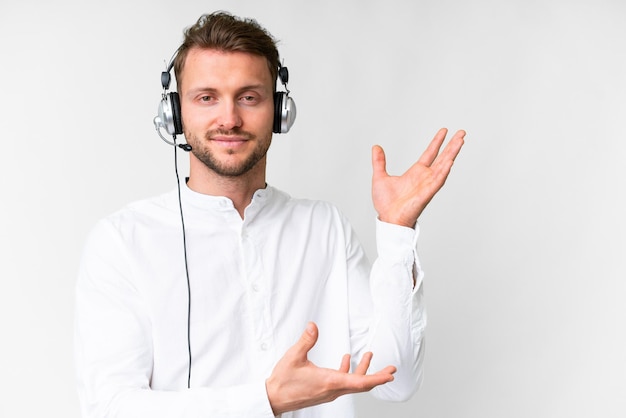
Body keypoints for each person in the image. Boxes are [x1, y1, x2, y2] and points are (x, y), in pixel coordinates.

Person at [74, 11, 465, 418]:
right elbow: (110, 407)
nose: (229, 118)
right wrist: (268, 400)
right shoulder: (122, 241)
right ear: (175, 113)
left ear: (279, 110)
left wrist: (398, 233)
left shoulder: (324, 228)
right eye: (207, 97)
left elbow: (395, 379)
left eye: (249, 97)